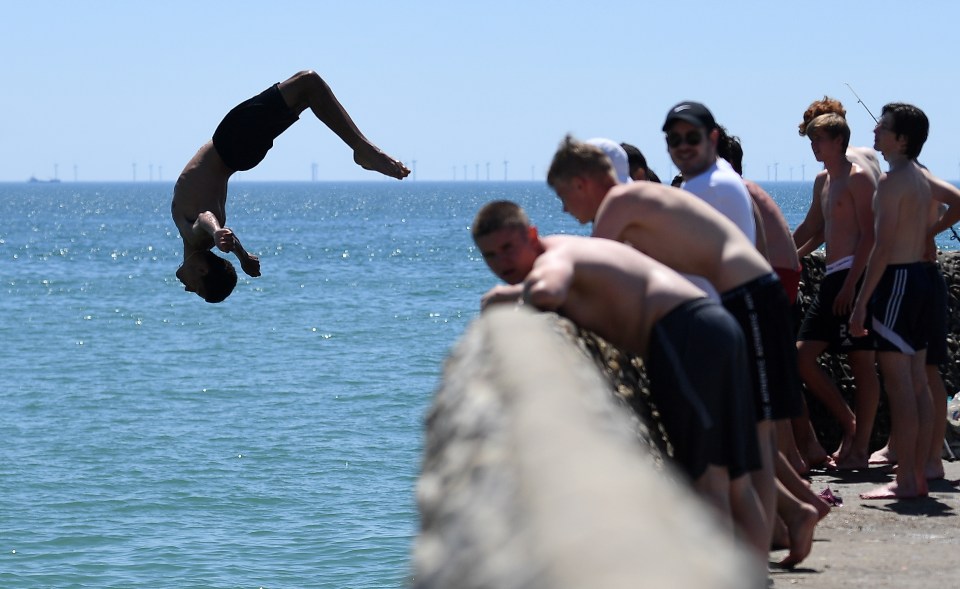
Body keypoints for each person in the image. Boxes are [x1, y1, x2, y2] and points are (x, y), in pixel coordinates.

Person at [546, 136, 806, 563]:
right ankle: (762, 558)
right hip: (722, 318)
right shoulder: (653, 197)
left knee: (714, 476)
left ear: (583, 182)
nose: (563, 209)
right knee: (735, 469)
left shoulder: (619, 205)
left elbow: (592, 273)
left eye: (562, 194)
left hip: (692, 329)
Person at [472, 200, 767, 561]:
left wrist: (508, 294)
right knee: (737, 481)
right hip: (712, 325)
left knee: (709, 481)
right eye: (491, 256)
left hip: (681, 335)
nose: (503, 263)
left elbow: (549, 291)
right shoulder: (571, 245)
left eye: (508, 248)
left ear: (531, 235)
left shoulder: (552, 260)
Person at [172, 70, 411, 303]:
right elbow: (206, 219)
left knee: (307, 93)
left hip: (236, 149)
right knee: (308, 84)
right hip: (232, 145)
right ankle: (363, 149)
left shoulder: (198, 239)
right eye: (197, 291)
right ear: (203, 270)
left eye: (197, 292)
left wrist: (241, 256)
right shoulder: (196, 238)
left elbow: (212, 225)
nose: (188, 290)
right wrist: (224, 240)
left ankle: (362, 150)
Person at [850, 102, 960, 499]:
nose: (875, 131)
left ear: (900, 139)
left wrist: (861, 302)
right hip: (923, 279)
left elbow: (880, 249)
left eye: (882, 127)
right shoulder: (920, 178)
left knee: (901, 385)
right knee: (917, 381)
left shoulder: (891, 183)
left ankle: (908, 477)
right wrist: (930, 231)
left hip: (897, 280)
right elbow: (957, 201)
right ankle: (919, 470)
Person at [791, 112, 881, 471]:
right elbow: (815, 227)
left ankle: (858, 448)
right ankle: (849, 424)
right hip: (831, 277)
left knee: (862, 364)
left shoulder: (858, 180)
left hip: (854, 278)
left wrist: (851, 288)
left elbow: (870, 236)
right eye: (812, 140)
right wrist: (783, 256)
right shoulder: (822, 181)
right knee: (801, 357)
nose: (814, 146)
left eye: (819, 140)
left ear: (838, 141)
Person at [662, 101, 756, 244]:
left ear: (712, 138)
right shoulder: (722, 173)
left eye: (693, 138)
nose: (683, 146)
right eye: (675, 139)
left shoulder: (710, 186)